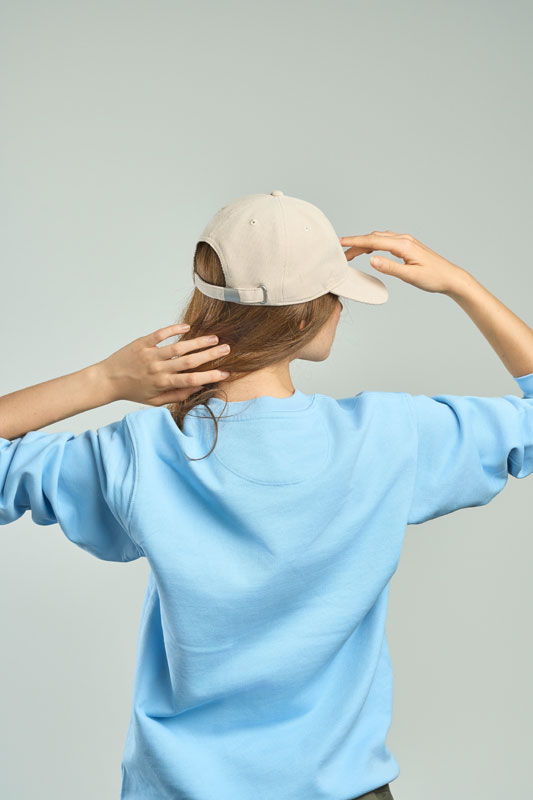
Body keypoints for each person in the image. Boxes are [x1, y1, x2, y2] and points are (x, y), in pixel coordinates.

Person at [0, 191, 532, 800]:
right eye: (336, 296)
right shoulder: (390, 438)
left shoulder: (142, 453)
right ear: (305, 318)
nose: (341, 309)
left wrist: (104, 380)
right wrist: (462, 284)